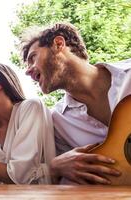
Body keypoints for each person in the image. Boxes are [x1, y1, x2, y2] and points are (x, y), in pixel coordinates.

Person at [20, 22, 131, 184]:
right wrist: (54, 166)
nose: (27, 70)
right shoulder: (57, 122)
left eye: (32, 58)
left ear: (59, 44)